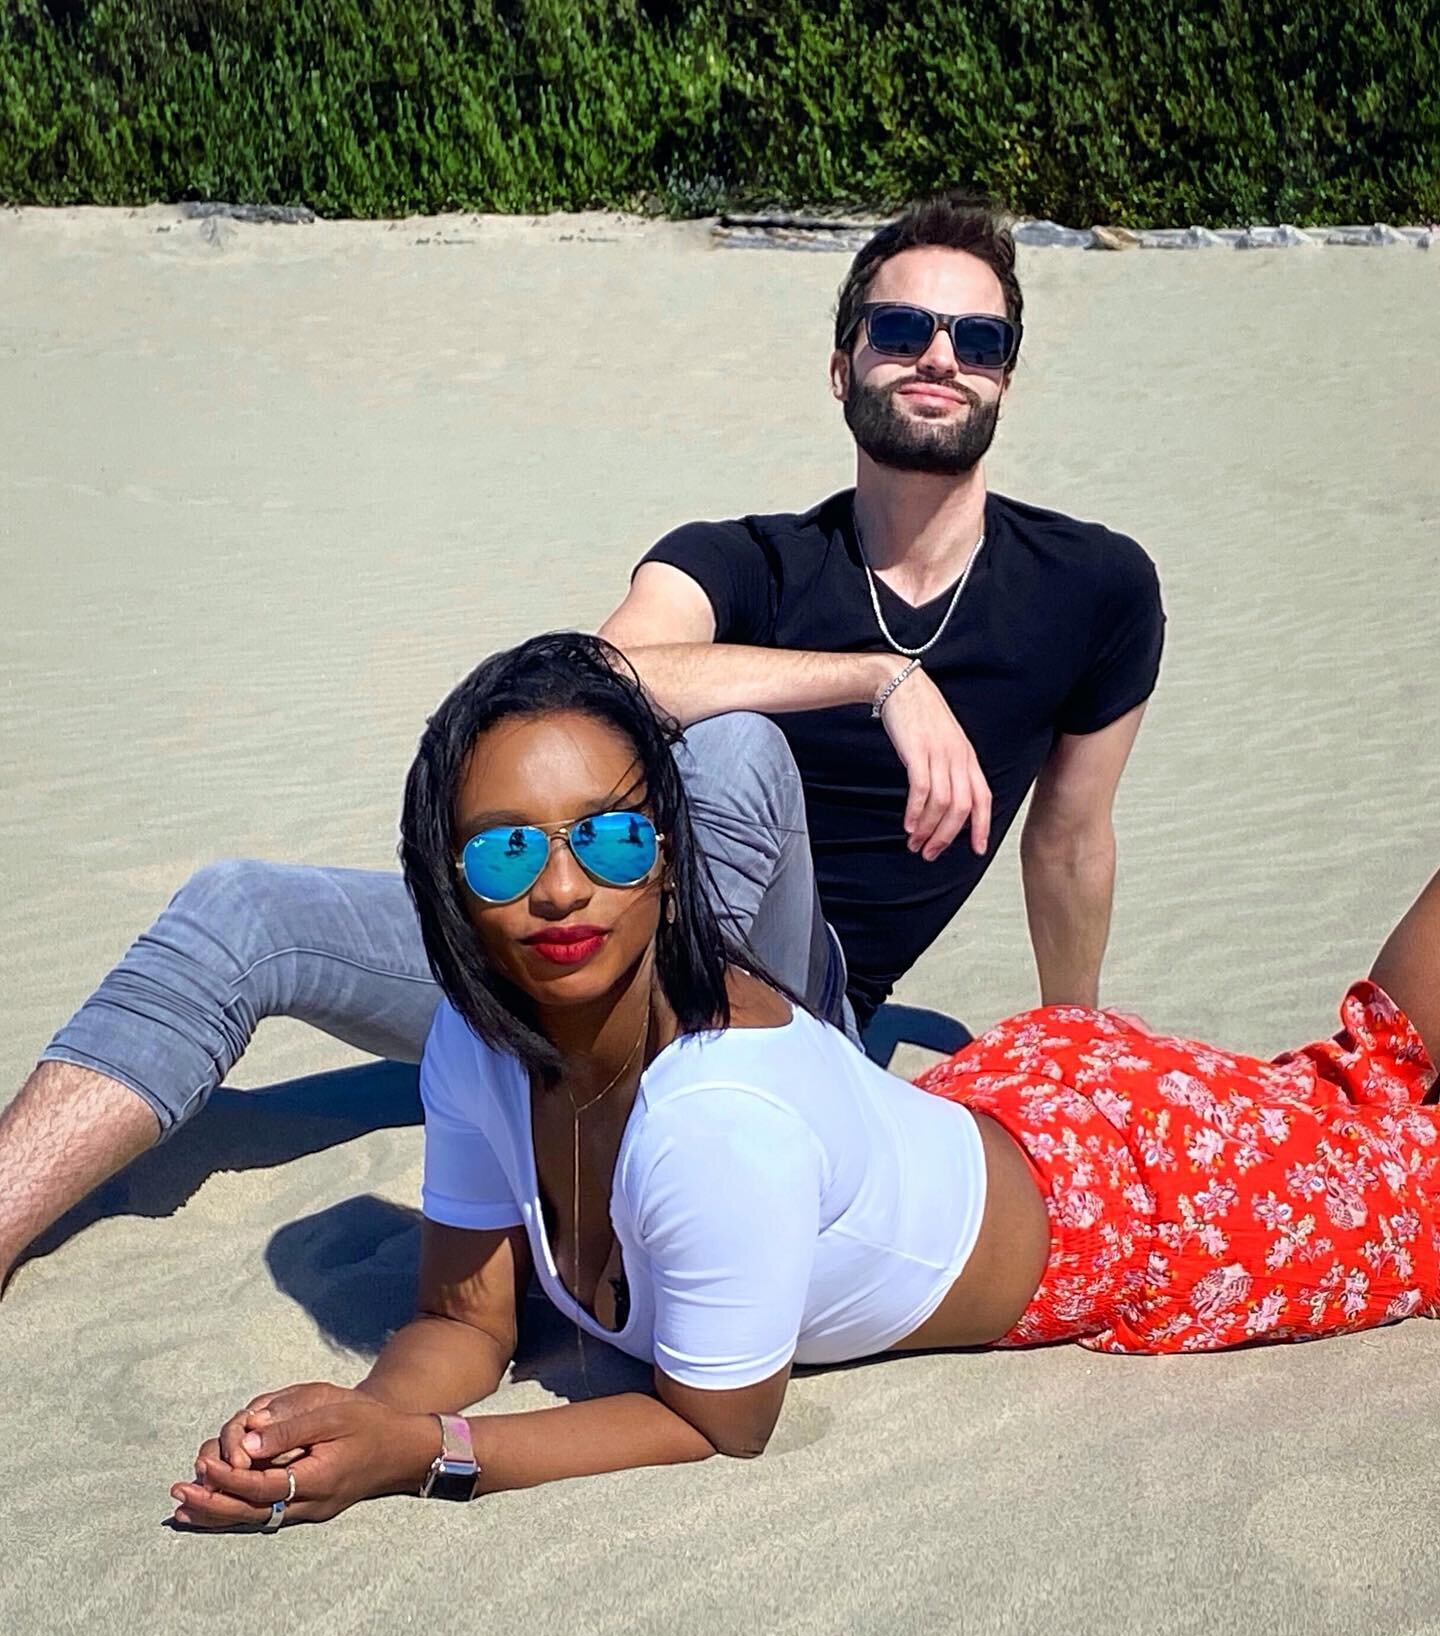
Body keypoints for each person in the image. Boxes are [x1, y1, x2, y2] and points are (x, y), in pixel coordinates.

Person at [0, 193, 1164, 1289]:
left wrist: (1080, 1049)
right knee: (238, 908)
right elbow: (585, 678)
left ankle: (611, 1174)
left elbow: (1067, 843)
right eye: (902, 326)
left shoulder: (1092, 588)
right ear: (843, 363)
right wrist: (875, 679)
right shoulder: (746, 557)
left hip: (791, 1014)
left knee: (736, 752)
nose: (940, 355)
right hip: (576, 936)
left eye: (978, 336)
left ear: (1007, 375)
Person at [170, 636, 1438, 1532]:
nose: (562, 890)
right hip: (1016, 1106)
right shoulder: (478, 1043)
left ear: (666, 857)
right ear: (446, 880)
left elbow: (717, 1426)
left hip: (1136, 1211)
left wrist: (429, 1459)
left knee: (1400, 1153)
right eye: (505, 853)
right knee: (1362, 1081)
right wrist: (365, 1413)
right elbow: (470, 1321)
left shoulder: (717, 1125)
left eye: (609, 837)